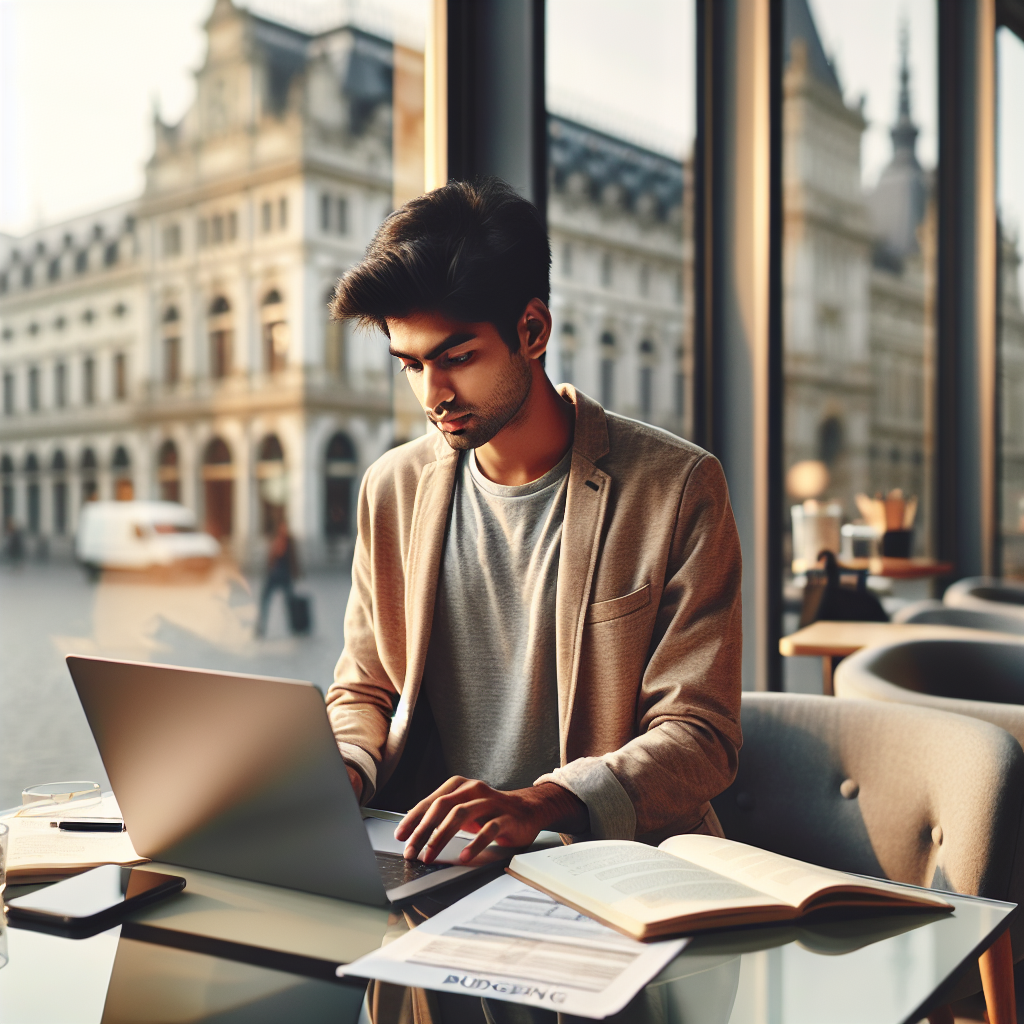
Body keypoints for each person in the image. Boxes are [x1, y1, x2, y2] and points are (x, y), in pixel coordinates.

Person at [326, 178, 742, 866]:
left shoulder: (678, 487)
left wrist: (542, 802)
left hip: (614, 869)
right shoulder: (391, 487)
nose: (433, 395)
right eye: (410, 365)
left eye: (457, 358)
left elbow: (699, 734)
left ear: (533, 331)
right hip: (425, 858)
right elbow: (366, 685)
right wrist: (345, 766)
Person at [255, 519, 299, 637]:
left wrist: (296, 572)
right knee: (265, 600)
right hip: (273, 575)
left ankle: (295, 626)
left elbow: (294, 558)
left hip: (285, 575)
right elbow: (270, 557)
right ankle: (260, 627)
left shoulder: (290, 542)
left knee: (289, 602)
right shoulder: (274, 540)